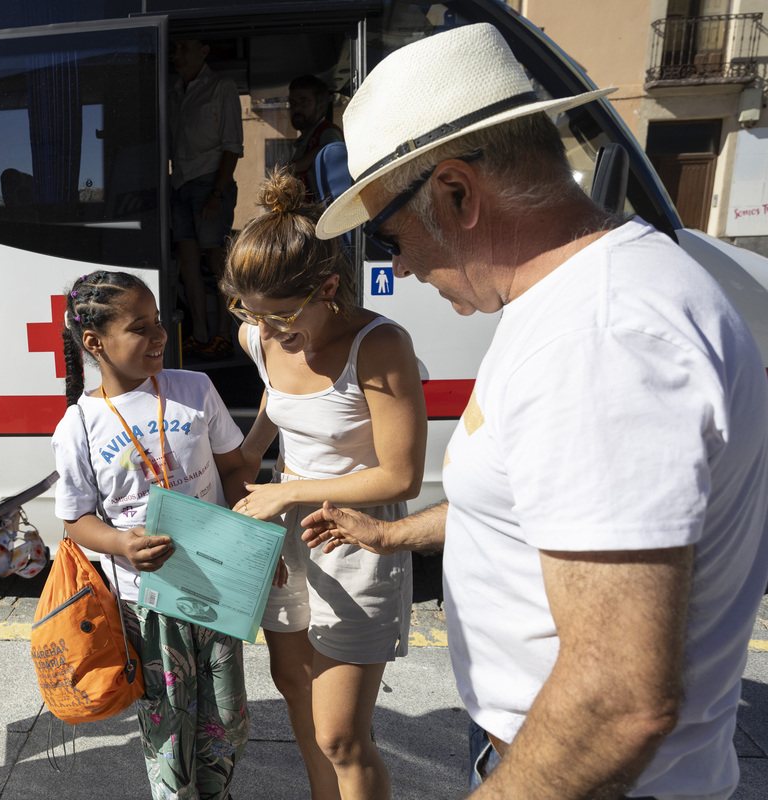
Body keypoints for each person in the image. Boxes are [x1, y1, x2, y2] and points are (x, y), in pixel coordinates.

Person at [304, 23, 768, 798]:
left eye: (390, 233)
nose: (399, 265)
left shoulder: (600, 337)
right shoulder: (581, 299)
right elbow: (540, 504)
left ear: (457, 192)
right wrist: (393, 533)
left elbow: (617, 701)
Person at [220, 169, 428, 800]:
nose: (269, 331)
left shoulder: (379, 343)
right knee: (299, 702)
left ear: (329, 288)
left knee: (341, 735)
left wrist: (287, 490)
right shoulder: (258, 334)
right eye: (251, 313)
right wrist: (252, 452)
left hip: (357, 544)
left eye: (282, 316)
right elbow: (277, 396)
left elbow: (403, 475)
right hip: (286, 541)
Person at [53, 270, 250, 800]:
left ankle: (217, 792)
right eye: (141, 327)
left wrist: (255, 538)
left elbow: (234, 472)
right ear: (95, 343)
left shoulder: (194, 389)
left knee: (226, 720)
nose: (160, 335)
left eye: (159, 321)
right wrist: (121, 544)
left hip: (216, 584)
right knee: (168, 727)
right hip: (148, 602)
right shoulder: (79, 424)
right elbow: (76, 519)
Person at [169, 38, 243, 358]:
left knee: (217, 263)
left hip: (210, 183)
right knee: (187, 264)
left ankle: (226, 335)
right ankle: (200, 335)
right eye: (175, 49)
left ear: (204, 51)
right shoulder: (173, 91)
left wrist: (217, 193)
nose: (177, 54)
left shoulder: (221, 87)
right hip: (179, 184)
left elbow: (233, 146)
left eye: (185, 48)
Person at [285, 74, 343, 202]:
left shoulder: (327, 132)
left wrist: (289, 168)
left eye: (303, 102)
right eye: (292, 103)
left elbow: (331, 151)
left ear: (321, 106)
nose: (297, 108)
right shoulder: (303, 142)